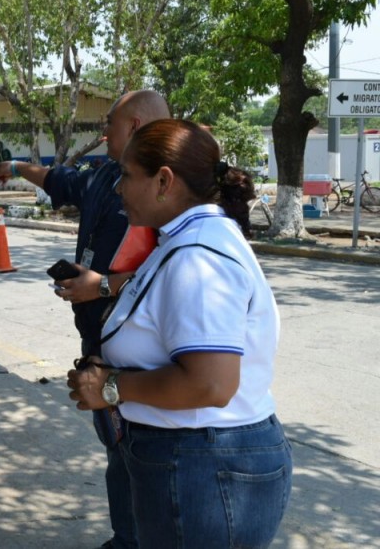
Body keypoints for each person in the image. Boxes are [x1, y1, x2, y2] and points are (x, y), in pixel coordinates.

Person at [67, 119, 293, 548]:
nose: (118, 189)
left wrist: (111, 386)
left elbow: (210, 383)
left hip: (202, 467)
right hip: (195, 460)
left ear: (163, 181)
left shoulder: (198, 257)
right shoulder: (185, 241)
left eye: (127, 176)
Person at [0, 89, 170, 549]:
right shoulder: (108, 175)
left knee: (146, 458)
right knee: (118, 453)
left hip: (144, 356)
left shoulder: (167, 190)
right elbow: (59, 180)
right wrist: (15, 169)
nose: (103, 132)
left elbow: (175, 273)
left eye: (110, 123)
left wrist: (103, 286)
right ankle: (125, 537)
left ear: (133, 127)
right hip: (101, 345)